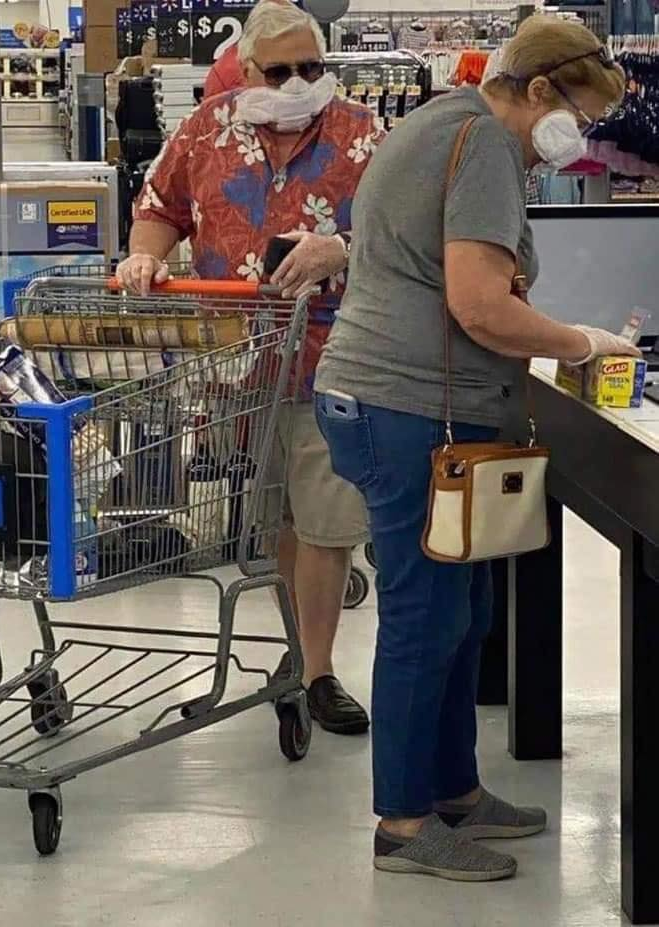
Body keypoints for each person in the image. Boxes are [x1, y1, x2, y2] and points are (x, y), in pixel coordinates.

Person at [315, 17, 638, 880]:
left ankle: (452, 788)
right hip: (408, 408)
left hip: (396, 401)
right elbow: (481, 306)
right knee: (425, 618)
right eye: (578, 114)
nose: (579, 136)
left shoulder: (443, 121)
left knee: (461, 613)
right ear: (539, 90)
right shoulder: (486, 146)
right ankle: (404, 823)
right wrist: (581, 342)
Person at [117, 0, 385, 736]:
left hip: (336, 360)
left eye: (311, 67)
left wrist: (343, 248)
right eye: (280, 70)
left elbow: (409, 232)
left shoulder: (364, 132)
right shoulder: (208, 128)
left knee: (327, 523)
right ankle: (298, 653)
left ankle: (319, 671)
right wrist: (144, 255)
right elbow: (160, 205)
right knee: (276, 523)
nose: (298, 82)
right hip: (239, 364)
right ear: (246, 70)